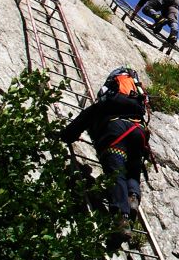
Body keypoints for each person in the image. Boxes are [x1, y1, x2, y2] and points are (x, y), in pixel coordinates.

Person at [59, 67, 151, 244]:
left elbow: (84, 118)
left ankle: (121, 218)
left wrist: (66, 136)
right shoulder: (137, 106)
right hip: (138, 132)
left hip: (115, 133)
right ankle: (133, 196)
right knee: (133, 168)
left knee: (116, 173)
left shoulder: (107, 103)